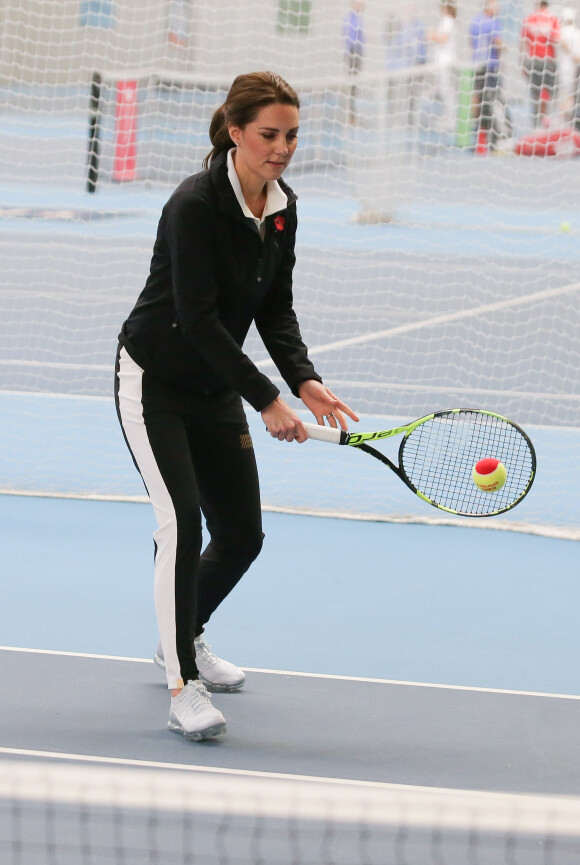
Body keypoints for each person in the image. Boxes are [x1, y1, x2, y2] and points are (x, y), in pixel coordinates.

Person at [114, 71, 358, 742]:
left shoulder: (283, 206)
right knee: (181, 527)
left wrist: (302, 380)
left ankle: (180, 636)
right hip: (155, 382)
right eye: (269, 135)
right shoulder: (194, 204)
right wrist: (267, 400)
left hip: (214, 387)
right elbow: (195, 317)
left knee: (242, 535)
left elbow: (273, 307)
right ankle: (180, 684)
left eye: (292, 135)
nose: (282, 148)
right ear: (235, 131)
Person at [469, 0, 506, 147]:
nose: (499, 7)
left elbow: (471, 43)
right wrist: (504, 49)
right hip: (490, 66)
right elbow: (498, 43)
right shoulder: (492, 22)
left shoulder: (474, 21)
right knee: (494, 99)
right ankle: (499, 134)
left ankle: (477, 132)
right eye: (496, 4)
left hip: (478, 65)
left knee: (478, 97)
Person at [520, 0, 560, 127]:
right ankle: (547, 121)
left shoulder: (529, 19)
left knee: (535, 94)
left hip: (533, 61)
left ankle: (536, 124)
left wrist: (521, 63)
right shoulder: (552, 19)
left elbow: (522, 43)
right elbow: (557, 41)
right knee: (550, 92)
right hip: (548, 61)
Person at [427, 0, 458, 133]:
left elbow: (442, 39)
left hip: (445, 61)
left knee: (447, 91)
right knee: (444, 91)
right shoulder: (447, 21)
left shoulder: (448, 21)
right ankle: (448, 117)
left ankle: (451, 120)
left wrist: (432, 35)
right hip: (443, 61)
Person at [342, 0, 367, 124]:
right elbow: (351, 39)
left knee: (355, 85)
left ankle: (353, 115)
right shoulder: (350, 18)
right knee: (352, 85)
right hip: (353, 53)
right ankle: (351, 116)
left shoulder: (358, 18)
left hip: (357, 53)